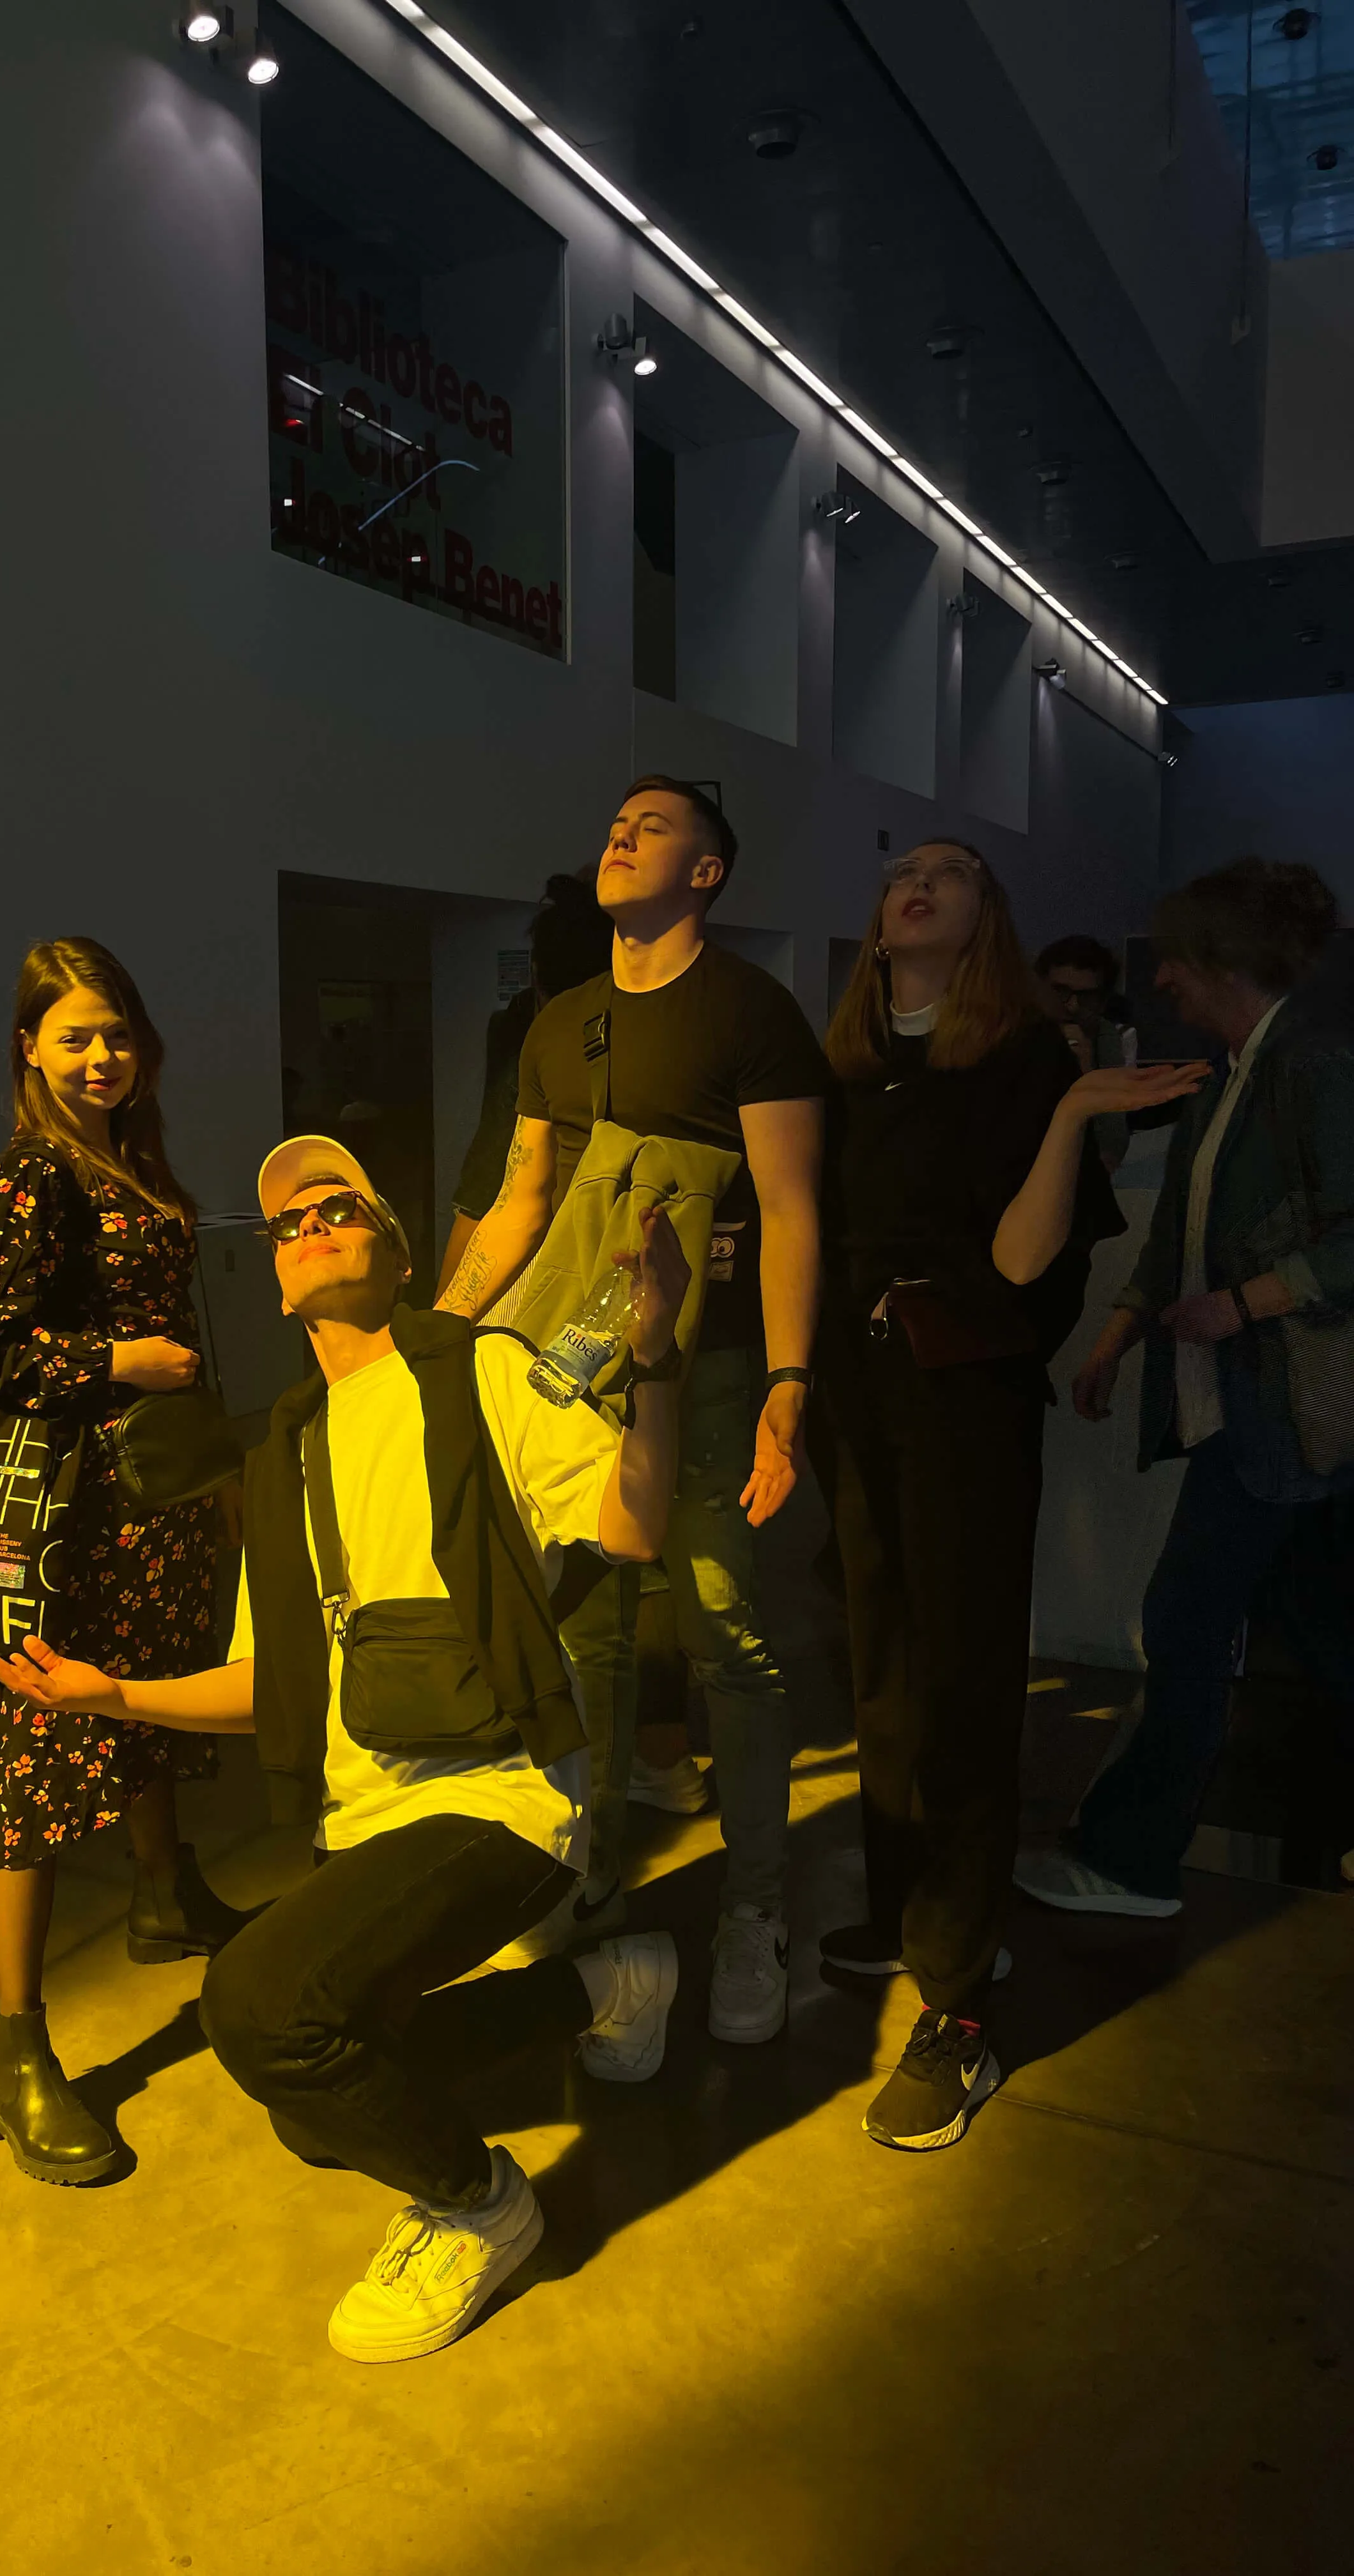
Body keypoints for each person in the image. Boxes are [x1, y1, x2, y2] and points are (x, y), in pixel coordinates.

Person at [0, 1135, 688, 2362]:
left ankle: (481, 2207)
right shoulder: (288, 1443)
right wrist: (114, 1696)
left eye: (340, 1203)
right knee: (317, 2104)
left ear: (397, 1252)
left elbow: (629, 1522)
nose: (309, 1221)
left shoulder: (483, 1376)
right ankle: (600, 1983)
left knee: (256, 2007)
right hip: (368, 1807)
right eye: (288, 1218)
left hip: (501, 1795)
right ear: (275, 1275)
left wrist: (658, 1352)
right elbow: (272, 1683)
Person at [812, 842, 1205, 2150]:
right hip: (854, 1398)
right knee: (880, 1662)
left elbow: (1026, 1262)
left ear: (986, 921)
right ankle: (911, 1906)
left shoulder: (1027, 1062)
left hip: (964, 1397)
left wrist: (1079, 1114)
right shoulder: (847, 1066)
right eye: (903, 873)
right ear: (879, 921)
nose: (918, 883)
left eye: (952, 873)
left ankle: (963, 2000)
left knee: (970, 1681)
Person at [436, 776, 827, 2046]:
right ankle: (586, 1873)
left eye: (654, 828)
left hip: (704, 1375)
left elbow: (788, 1209)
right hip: (572, 1372)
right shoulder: (560, 1023)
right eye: (614, 822)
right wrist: (442, 1343)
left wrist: (783, 1387)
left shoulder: (752, 1015)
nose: (621, 835)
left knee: (725, 1636)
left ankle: (756, 1911)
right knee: (586, 1645)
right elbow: (521, 1201)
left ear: (708, 873)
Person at [0, 937, 247, 2188]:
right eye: (74, 1036)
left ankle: (165, 1894)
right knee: (42, 1755)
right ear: (29, 1048)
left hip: (154, 1501)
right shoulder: (36, 1174)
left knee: (149, 1708)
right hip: (71, 1524)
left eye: (116, 1032)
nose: (102, 1055)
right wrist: (114, 1364)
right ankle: (15, 2054)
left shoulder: (126, 1153)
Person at [1017, 860, 1354, 1918]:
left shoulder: (1306, 1064)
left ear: (1219, 960)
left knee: (1185, 1617)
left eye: (1174, 956)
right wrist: (1118, 1333)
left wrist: (1243, 1302)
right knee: (1317, 1626)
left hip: (1270, 1410)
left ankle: (1130, 1858)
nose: (1157, 978)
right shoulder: (1241, 1067)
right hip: (1264, 1416)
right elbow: (1181, 1230)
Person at [437, 870, 614, 1301]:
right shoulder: (525, 1029)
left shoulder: (528, 1031)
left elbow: (491, 1187)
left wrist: (441, 1314)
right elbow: (494, 1181)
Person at [1036, 935, 1140, 1169]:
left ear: (1103, 1003)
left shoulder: (1105, 1038)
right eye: (1060, 992)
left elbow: (1111, 1152)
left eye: (1087, 998)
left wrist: (1087, 1074)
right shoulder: (1013, 1035)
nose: (1072, 1006)